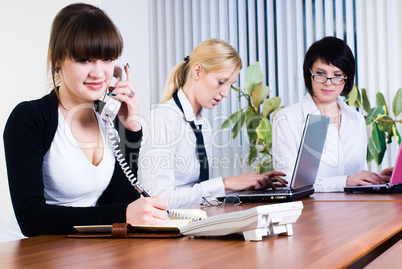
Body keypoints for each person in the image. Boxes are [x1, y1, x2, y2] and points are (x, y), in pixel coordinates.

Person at [0, 3, 168, 242]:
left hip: (81, 250)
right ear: (56, 60)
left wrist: (131, 131)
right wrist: (124, 213)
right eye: (84, 60)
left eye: (108, 58)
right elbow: (31, 218)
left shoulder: (108, 118)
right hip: (29, 251)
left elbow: (117, 202)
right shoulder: (29, 118)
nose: (99, 73)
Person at [139, 38, 287, 209]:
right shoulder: (162, 119)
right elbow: (161, 200)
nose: (225, 93)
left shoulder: (203, 124)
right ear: (197, 71)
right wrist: (225, 183)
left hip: (195, 220)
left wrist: (244, 185)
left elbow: (197, 194)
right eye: (221, 82)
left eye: (230, 85)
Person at [272, 36, 387, 192]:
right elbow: (288, 180)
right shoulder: (287, 118)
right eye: (320, 73)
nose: (328, 82)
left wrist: (376, 180)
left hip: (354, 210)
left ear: (347, 78)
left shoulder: (356, 119)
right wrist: (345, 181)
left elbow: (357, 177)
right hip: (309, 211)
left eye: (337, 75)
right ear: (309, 73)